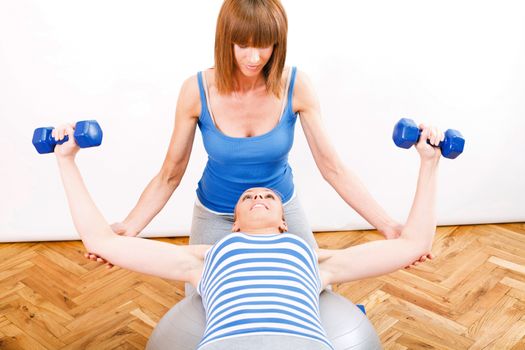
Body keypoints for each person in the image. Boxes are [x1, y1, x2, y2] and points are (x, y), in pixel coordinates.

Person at [83, 0, 433, 268]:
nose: (254, 57)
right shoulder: (196, 90)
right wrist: (129, 228)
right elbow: (169, 175)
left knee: (316, 285)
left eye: (264, 45)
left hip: (279, 209)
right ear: (226, 41)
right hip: (217, 211)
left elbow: (333, 169)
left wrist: (387, 226)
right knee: (203, 297)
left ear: (278, 43)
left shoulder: (296, 86)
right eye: (243, 45)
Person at [53, 121, 442, 350]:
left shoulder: (316, 259)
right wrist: (65, 160)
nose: (258, 195)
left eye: (269, 196)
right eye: (249, 197)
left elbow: (414, 244)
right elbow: (101, 241)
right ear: (233, 222)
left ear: (285, 221)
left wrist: (430, 162)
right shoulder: (203, 260)